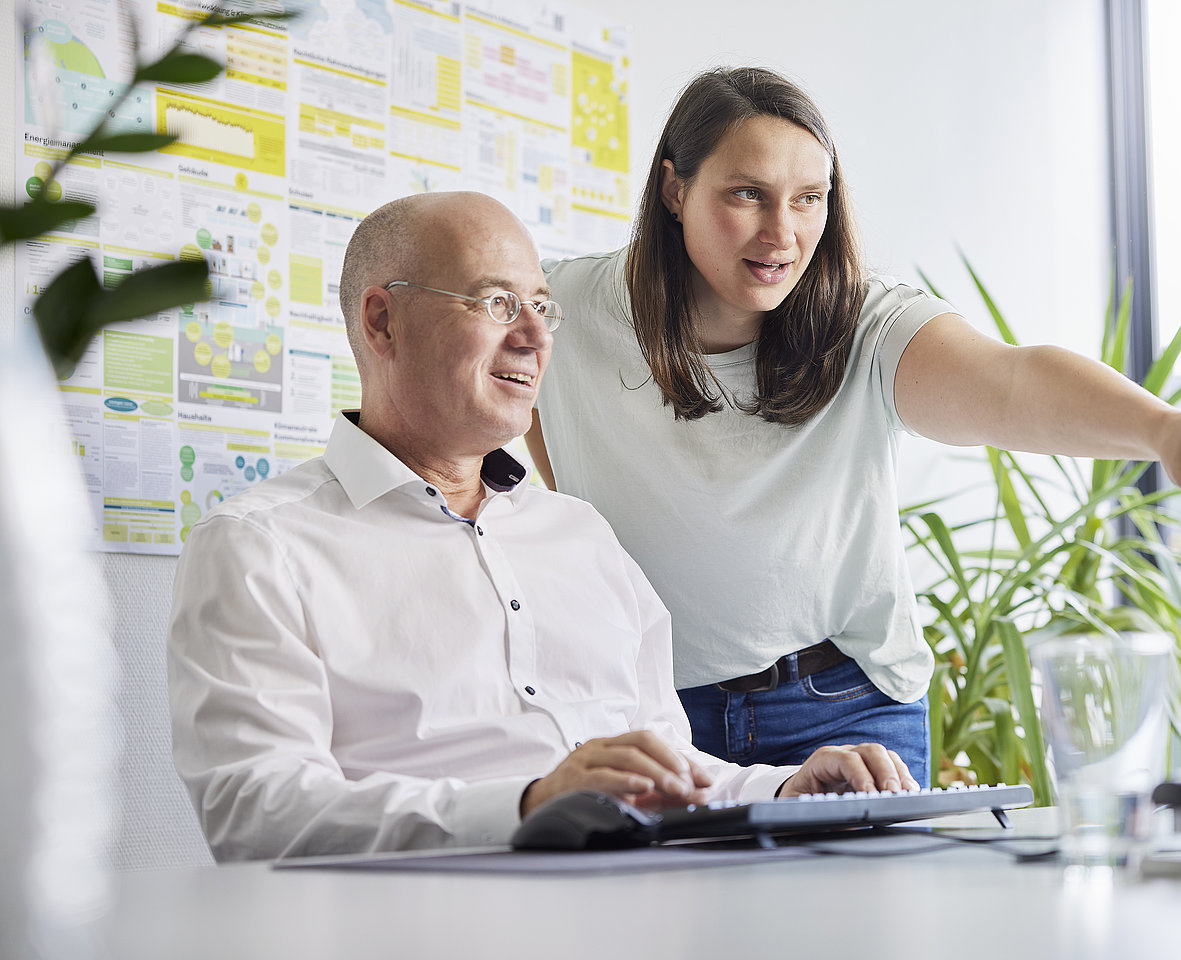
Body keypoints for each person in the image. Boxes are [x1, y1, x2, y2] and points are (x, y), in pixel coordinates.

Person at [529, 67, 1181, 787]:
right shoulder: (561, 308)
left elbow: (1009, 381)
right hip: (651, 711)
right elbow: (524, 432)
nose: (783, 233)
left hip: (842, 708)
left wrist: (1166, 431)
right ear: (674, 189)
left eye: (808, 198)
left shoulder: (866, 322)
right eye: (747, 194)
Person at [166, 191, 917, 863]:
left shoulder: (581, 535)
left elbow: (670, 770)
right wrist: (528, 806)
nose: (534, 336)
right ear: (383, 321)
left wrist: (782, 790)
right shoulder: (259, 548)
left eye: (542, 307)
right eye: (497, 303)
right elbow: (257, 813)